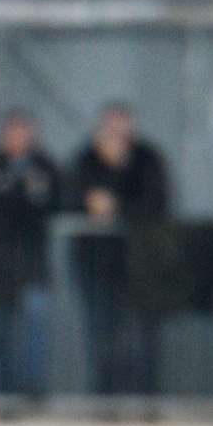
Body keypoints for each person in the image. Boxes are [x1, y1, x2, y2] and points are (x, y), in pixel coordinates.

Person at [66, 103, 170, 399]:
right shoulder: (86, 159)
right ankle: (105, 399)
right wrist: (94, 198)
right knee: (102, 334)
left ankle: (143, 399)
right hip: (95, 263)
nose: (116, 131)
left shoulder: (147, 158)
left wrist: (116, 204)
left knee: (141, 336)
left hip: (140, 263)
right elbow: (69, 197)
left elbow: (157, 202)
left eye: (121, 124)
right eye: (110, 124)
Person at [0, 109, 60, 407]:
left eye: (23, 131)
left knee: (35, 325)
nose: (17, 138)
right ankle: (3, 391)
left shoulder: (45, 167)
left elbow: (51, 205)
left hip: (34, 263)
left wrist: (17, 200)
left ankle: (33, 390)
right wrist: (22, 198)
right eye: (12, 131)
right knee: (0, 331)